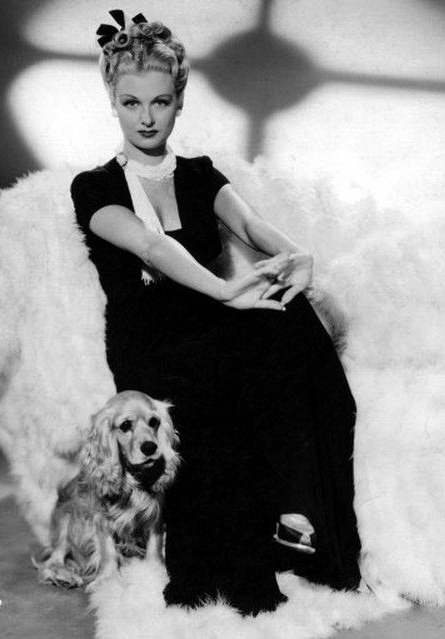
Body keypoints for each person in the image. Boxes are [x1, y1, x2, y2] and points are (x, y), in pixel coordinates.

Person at [71, 9, 361, 616]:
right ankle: (298, 510)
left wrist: (297, 254)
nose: (146, 117)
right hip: (151, 343)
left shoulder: (201, 174)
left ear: (179, 102)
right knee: (276, 330)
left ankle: (299, 518)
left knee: (291, 313)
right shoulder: (93, 187)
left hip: (211, 329)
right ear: (113, 103)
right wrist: (226, 292)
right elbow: (152, 246)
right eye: (131, 103)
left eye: (160, 101)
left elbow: (251, 224)